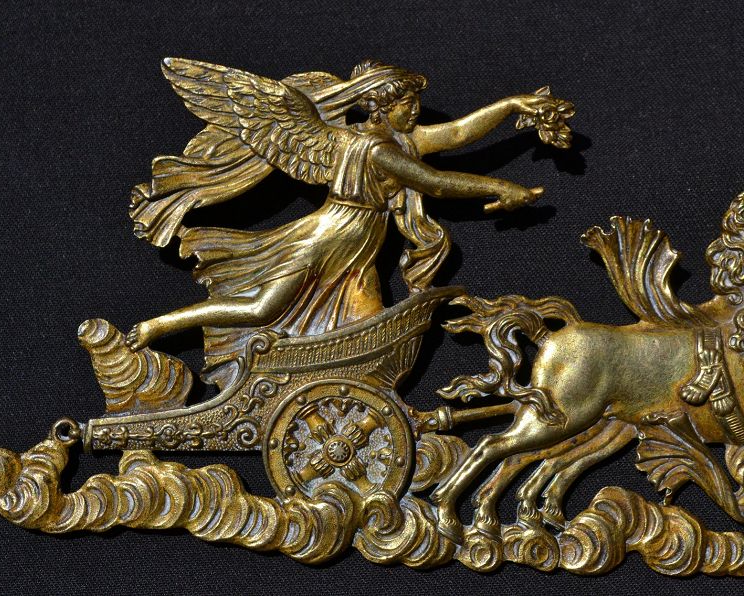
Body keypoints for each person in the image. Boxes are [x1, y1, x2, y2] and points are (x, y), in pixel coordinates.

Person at [125, 58, 562, 388]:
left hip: (358, 249)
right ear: (381, 108)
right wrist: (500, 187)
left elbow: (458, 133)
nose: (415, 112)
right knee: (261, 309)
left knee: (366, 327)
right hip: (327, 239)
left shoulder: (397, 140)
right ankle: (157, 326)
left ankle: (336, 392)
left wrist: (510, 105)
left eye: (415, 103)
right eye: (407, 104)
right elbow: (436, 184)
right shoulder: (374, 149)